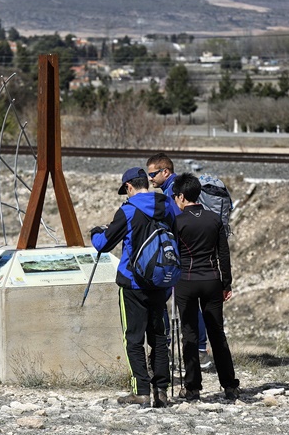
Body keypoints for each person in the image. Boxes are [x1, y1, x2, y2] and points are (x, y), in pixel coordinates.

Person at [91, 167, 178, 408]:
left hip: (133, 283)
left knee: (134, 338)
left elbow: (104, 244)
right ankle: (161, 391)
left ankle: (140, 391)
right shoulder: (167, 205)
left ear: (129, 186)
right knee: (159, 337)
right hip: (161, 280)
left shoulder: (128, 210)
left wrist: (95, 233)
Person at [170, 173, 240, 402]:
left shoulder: (177, 221)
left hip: (186, 281)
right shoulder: (214, 219)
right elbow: (223, 254)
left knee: (189, 334)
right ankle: (229, 385)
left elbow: (173, 254)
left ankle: (192, 388)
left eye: (175, 196)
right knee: (217, 333)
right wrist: (226, 283)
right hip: (212, 280)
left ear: (182, 196)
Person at [147, 152, 211, 372]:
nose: (150, 179)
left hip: (179, 256)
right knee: (189, 303)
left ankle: (173, 349)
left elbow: (177, 222)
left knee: (169, 301)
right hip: (193, 254)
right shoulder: (176, 187)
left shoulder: (173, 192)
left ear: (165, 172)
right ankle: (199, 349)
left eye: (153, 174)